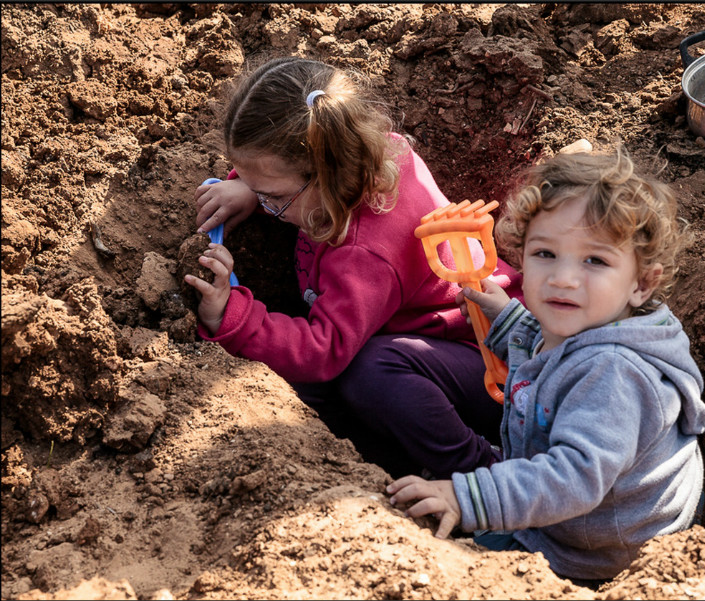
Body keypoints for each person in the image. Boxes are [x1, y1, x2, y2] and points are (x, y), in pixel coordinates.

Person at [183, 56, 522, 479]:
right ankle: (387, 459)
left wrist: (232, 315)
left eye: (271, 195)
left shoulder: (366, 251)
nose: (265, 204)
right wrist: (248, 189)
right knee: (305, 387)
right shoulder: (367, 152)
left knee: (369, 372)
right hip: (430, 347)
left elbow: (323, 352)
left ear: (326, 175)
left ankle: (482, 472)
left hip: (497, 365)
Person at [386, 146, 705, 582]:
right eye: (545, 254)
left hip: (601, 550)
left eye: (595, 260)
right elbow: (550, 347)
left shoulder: (613, 372)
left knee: (434, 554)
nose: (562, 277)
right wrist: (507, 320)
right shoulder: (586, 323)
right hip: (605, 516)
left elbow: (573, 477)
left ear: (642, 283)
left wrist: (466, 497)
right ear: (521, 254)